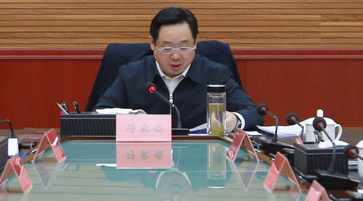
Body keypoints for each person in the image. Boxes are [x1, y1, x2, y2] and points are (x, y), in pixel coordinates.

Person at [93, 7, 257, 131]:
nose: (176, 56)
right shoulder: (131, 74)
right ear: (152, 43)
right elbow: (99, 113)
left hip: (200, 159)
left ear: (195, 42)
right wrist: (132, 116)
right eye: (167, 48)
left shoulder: (215, 74)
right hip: (148, 160)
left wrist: (235, 119)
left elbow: (252, 112)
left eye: (184, 48)